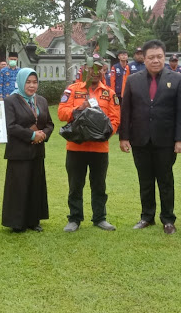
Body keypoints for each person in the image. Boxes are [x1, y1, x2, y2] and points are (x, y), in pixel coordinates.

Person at [119, 40, 181, 235]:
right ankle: (146, 217)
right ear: (145, 58)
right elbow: (126, 111)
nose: (155, 60)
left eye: (159, 57)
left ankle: (168, 219)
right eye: (151, 57)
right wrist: (123, 137)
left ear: (164, 57)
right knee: (145, 180)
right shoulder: (133, 80)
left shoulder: (177, 79)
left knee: (165, 179)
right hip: (140, 139)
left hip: (166, 141)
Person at [58, 55, 121, 232]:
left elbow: (115, 119)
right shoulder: (72, 90)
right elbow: (62, 113)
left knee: (99, 185)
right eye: (91, 68)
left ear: (104, 70)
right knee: (75, 185)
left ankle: (100, 218)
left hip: (100, 148)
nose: (94, 72)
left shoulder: (110, 93)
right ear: (84, 68)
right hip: (76, 147)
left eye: (98, 68)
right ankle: (74, 219)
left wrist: (105, 134)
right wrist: (79, 107)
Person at [2, 68, 54, 232]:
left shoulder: (42, 101)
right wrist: (31, 135)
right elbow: (10, 126)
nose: (32, 86)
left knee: (35, 185)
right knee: (19, 186)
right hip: (19, 151)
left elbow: (50, 124)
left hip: (37, 151)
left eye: (35, 82)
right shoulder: (11, 101)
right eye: (28, 82)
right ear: (21, 81)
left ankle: (33, 220)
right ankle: (17, 222)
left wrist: (43, 135)